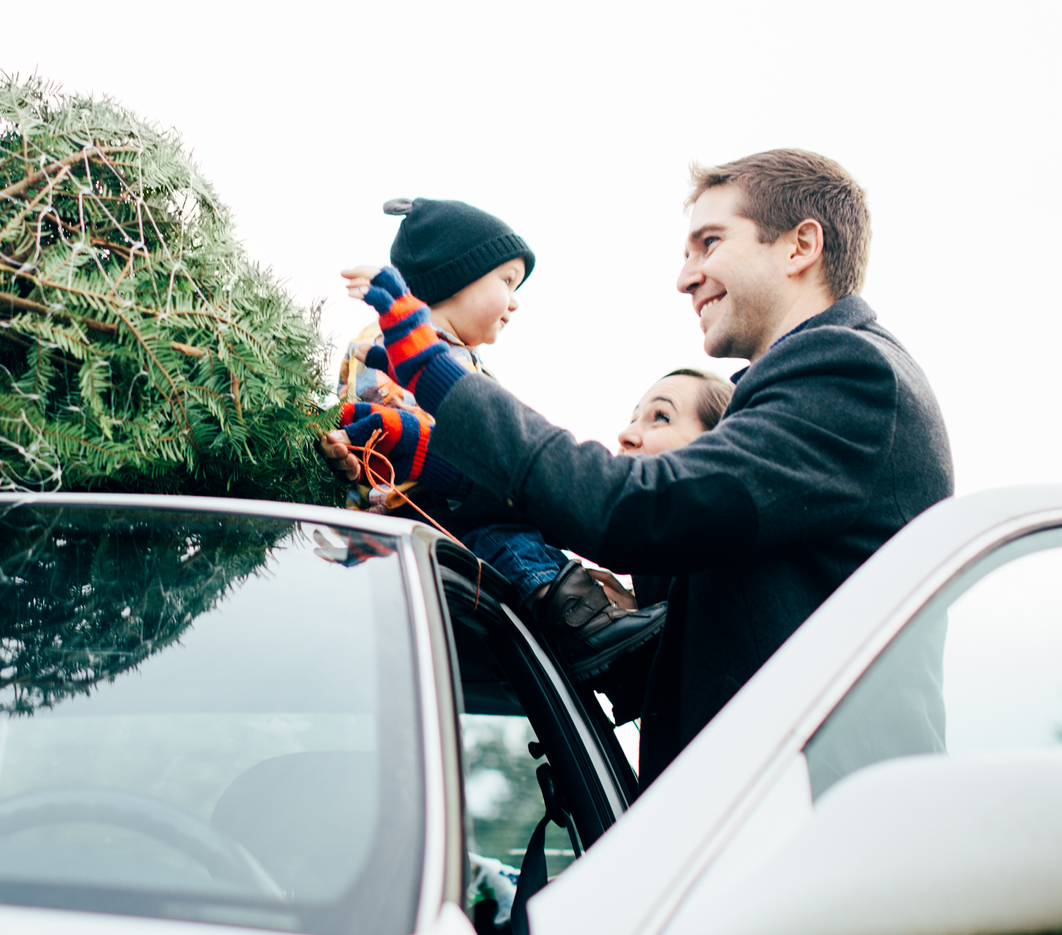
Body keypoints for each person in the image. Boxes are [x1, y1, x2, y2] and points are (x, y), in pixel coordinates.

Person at [346, 150, 953, 787]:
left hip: (817, 839)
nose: (686, 276)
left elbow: (636, 509)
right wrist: (438, 467)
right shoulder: (791, 393)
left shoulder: (848, 370)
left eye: (709, 243)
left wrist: (435, 374)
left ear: (801, 245)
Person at [331, 198, 657, 684]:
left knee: (525, 536)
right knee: (504, 538)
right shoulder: (387, 343)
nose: (516, 299)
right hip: (412, 509)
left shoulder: (466, 359)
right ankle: (574, 619)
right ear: (453, 278)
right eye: (506, 281)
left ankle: (591, 622)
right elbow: (398, 429)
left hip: (456, 505)